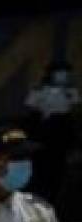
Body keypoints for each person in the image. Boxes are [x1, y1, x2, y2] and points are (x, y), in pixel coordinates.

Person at [24, 60, 79, 209]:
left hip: (60, 135)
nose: (63, 76)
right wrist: (32, 137)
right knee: (40, 173)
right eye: (60, 72)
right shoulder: (39, 90)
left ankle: (51, 207)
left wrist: (72, 142)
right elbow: (31, 114)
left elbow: (72, 115)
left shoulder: (70, 92)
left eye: (66, 73)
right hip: (43, 135)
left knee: (57, 175)